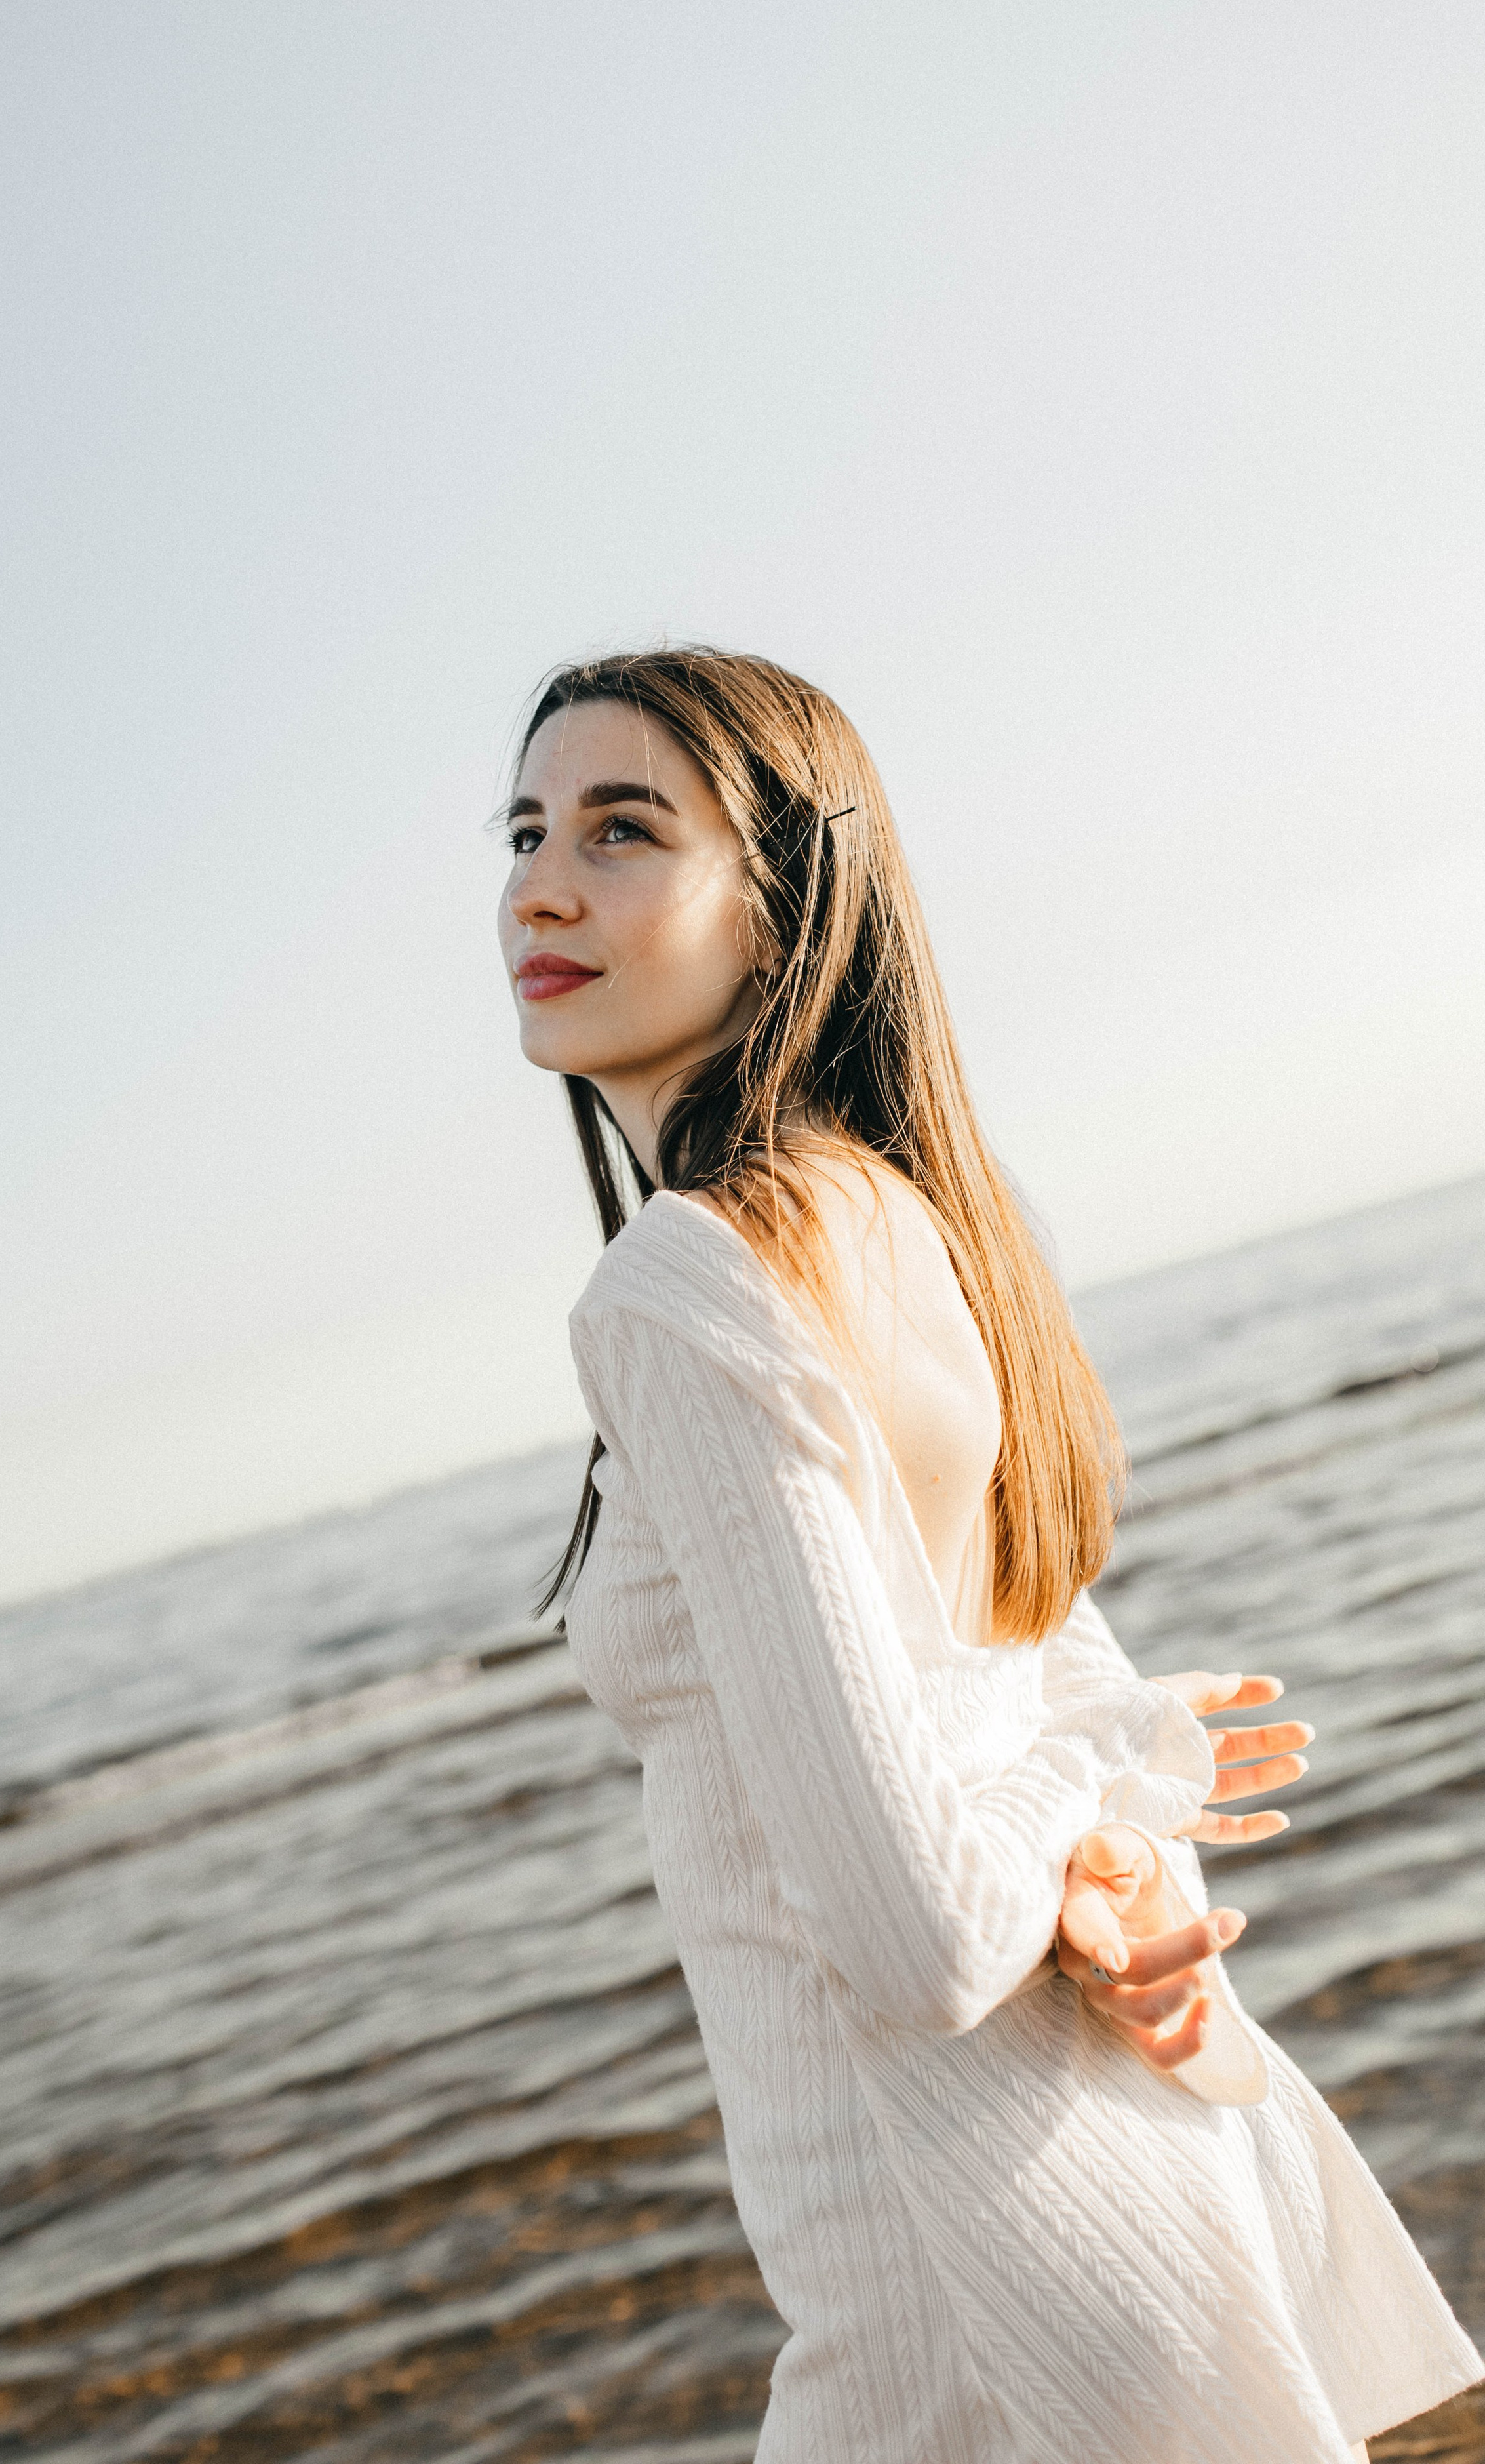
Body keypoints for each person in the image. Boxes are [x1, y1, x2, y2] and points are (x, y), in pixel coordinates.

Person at [496, 647, 1480, 2463]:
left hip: (967, 2305)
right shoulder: (926, 1218)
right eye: (527, 832)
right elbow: (1050, 1681)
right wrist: (1114, 1840)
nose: (541, 889)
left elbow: (925, 1938)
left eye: (624, 830)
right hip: (1104, 2203)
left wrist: (1101, 1776)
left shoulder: (685, 1281)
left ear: (787, 901)